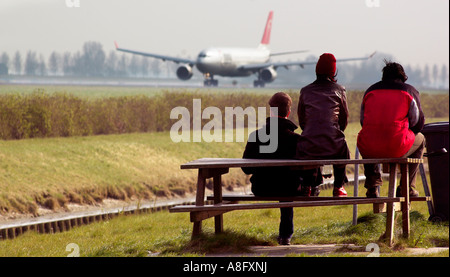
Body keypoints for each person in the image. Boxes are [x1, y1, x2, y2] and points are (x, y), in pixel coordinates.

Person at [357, 61, 425, 198]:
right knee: (421, 139)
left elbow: (363, 122)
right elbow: (417, 123)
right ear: (402, 76)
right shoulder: (409, 91)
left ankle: (372, 186)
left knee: (368, 139)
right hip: (396, 145)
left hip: (370, 148)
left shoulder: (370, 91)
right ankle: (407, 187)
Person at [242, 92, 302, 245]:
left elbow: (246, 169)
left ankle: (285, 234)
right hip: (290, 189)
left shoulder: (256, 136)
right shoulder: (296, 139)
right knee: (288, 187)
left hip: (261, 187)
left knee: (285, 186)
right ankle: (285, 236)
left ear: (271, 112)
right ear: (288, 112)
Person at [295, 53, 350, 197]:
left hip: (309, 142)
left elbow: (302, 120)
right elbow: (344, 119)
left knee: (305, 147)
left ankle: (307, 186)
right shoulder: (339, 90)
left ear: (316, 70)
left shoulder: (305, 91)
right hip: (334, 143)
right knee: (343, 149)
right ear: (333, 71)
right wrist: (335, 132)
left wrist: (311, 130)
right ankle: (338, 186)